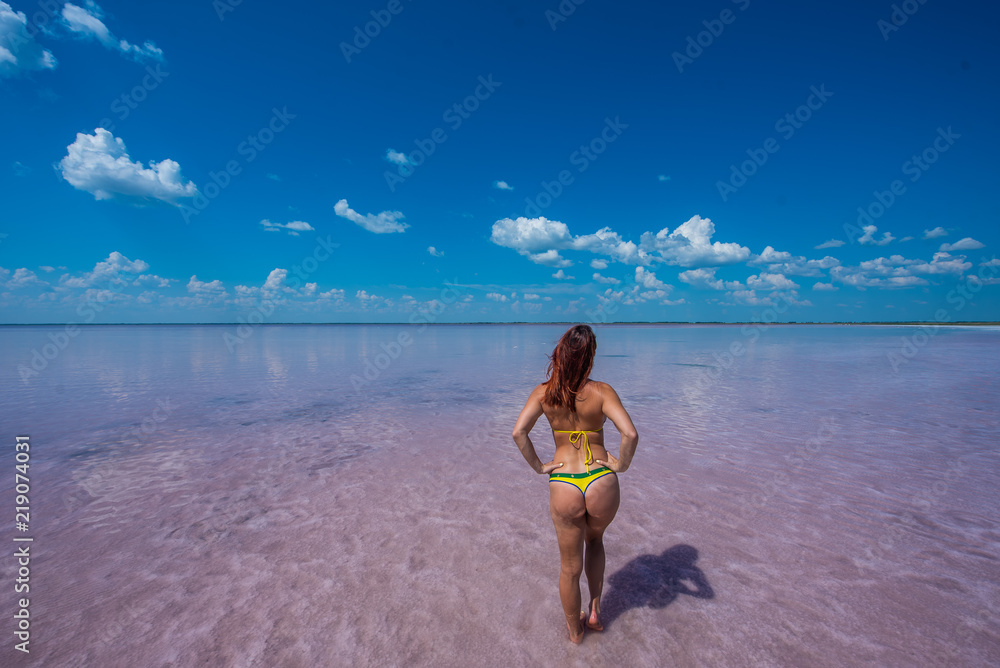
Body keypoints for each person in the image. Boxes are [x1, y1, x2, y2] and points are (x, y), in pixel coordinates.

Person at [512, 324, 638, 643]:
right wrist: (620, 464)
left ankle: (574, 632)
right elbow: (630, 434)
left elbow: (518, 433)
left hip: (564, 481)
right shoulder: (603, 392)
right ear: (590, 356)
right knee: (595, 542)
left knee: (569, 567)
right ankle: (595, 613)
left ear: (561, 354)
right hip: (600, 479)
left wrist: (540, 466)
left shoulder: (544, 393)